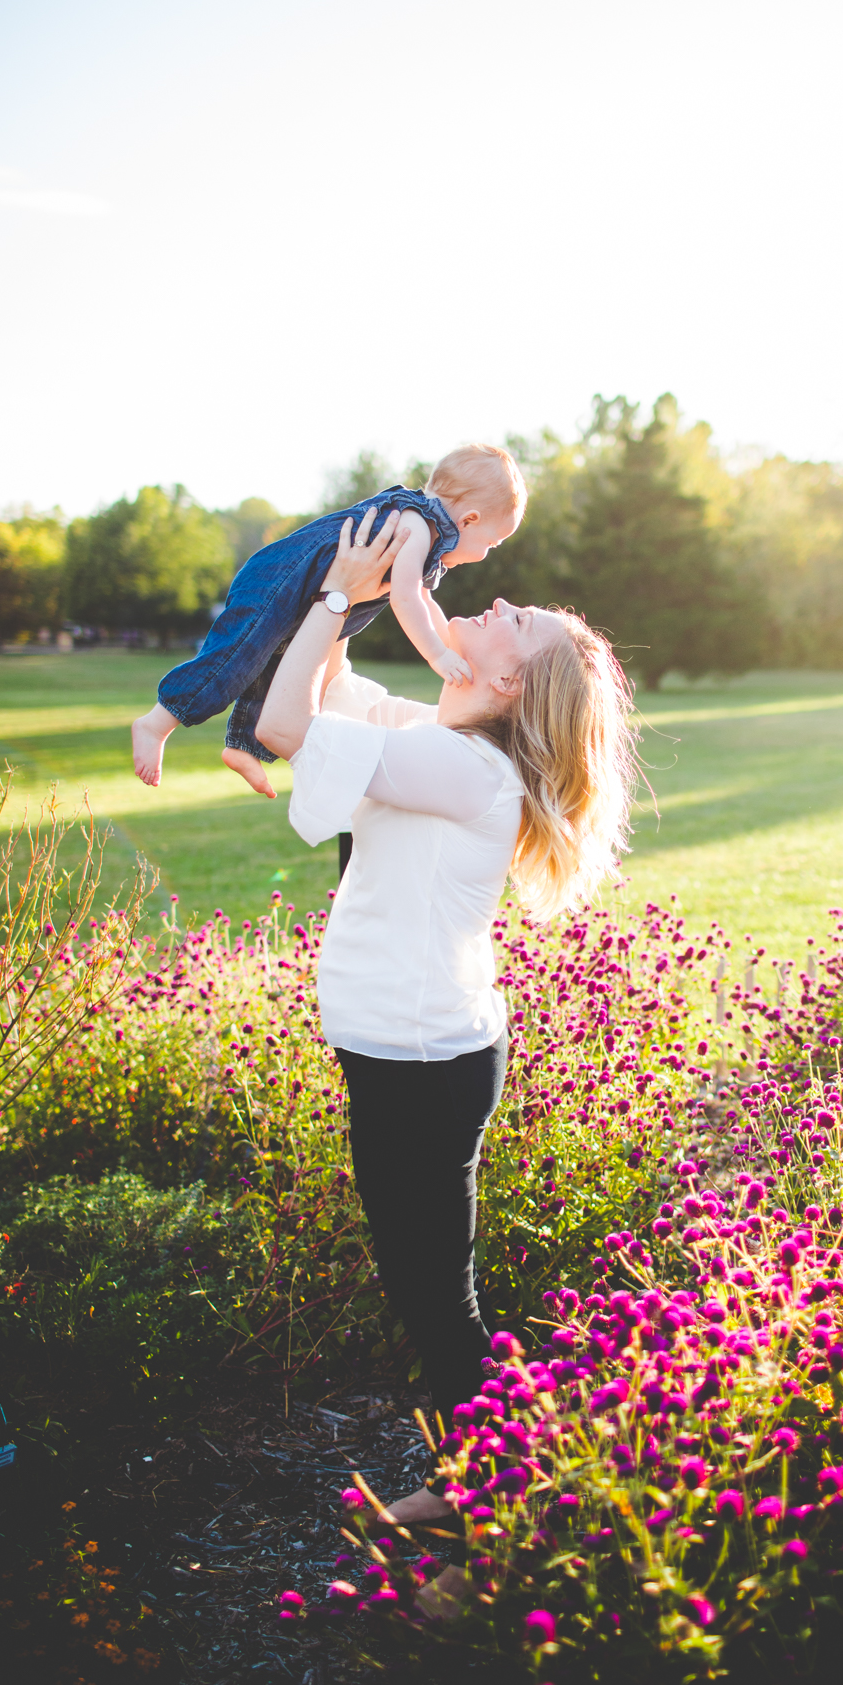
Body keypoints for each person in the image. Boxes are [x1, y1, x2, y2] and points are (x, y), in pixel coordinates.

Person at [255, 509, 638, 1563]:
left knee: (433, 1296)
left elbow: (289, 726)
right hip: (416, 1052)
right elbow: (328, 690)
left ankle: (509, 1495)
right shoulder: (440, 738)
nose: (501, 602)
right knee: (430, 1289)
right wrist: (361, 587)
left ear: (511, 680)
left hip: (420, 1064)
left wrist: (337, 597)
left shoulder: (467, 772)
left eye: (519, 620)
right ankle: (492, 1474)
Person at [130, 442, 526, 797]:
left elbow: (424, 600)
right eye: (492, 544)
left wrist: (453, 646)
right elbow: (407, 598)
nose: (488, 553)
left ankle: (242, 747)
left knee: (277, 664)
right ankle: (157, 722)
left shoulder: (426, 538)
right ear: (469, 520)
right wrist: (438, 656)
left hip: (310, 592)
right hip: (281, 579)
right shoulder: (417, 526)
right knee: (234, 657)